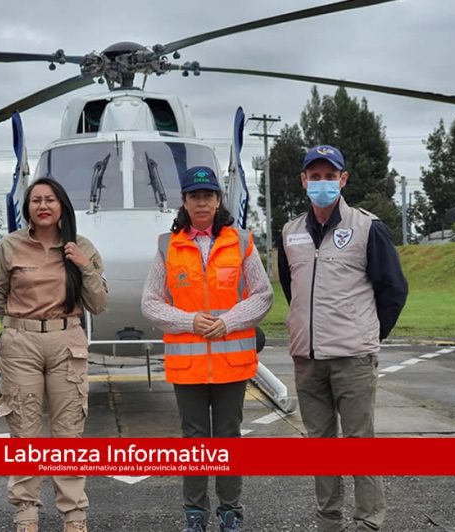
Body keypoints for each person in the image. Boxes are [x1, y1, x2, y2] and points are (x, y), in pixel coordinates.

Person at [277, 145, 408, 532]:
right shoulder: (290, 232)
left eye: (329, 176)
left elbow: (393, 290)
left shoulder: (369, 228)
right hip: (307, 358)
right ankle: (328, 521)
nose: (322, 183)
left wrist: (366, 332)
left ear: (343, 179)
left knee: (359, 443)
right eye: (314, 176)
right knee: (321, 447)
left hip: (353, 357)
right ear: (303, 181)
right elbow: (293, 287)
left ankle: (368, 521)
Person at [141, 166, 273, 532]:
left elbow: (263, 295)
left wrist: (228, 322)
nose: (202, 202)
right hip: (189, 368)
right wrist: (188, 321)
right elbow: (150, 303)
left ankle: (230, 513)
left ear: (218, 200)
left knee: (228, 438)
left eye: (208, 195)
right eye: (194, 196)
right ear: (184, 201)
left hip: (232, 363)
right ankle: (194, 516)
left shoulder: (242, 241)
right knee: (194, 440)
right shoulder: (167, 246)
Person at [0, 177, 108, 532]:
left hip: (66, 341)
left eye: (50, 199)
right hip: (21, 342)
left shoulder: (81, 246)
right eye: (36, 200)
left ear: (62, 207)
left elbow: (98, 304)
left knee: (68, 433)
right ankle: (26, 514)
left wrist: (83, 265)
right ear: (27, 208)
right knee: (24, 431)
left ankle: (73, 515)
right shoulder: (9, 246)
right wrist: (17, 327)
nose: (43, 205)